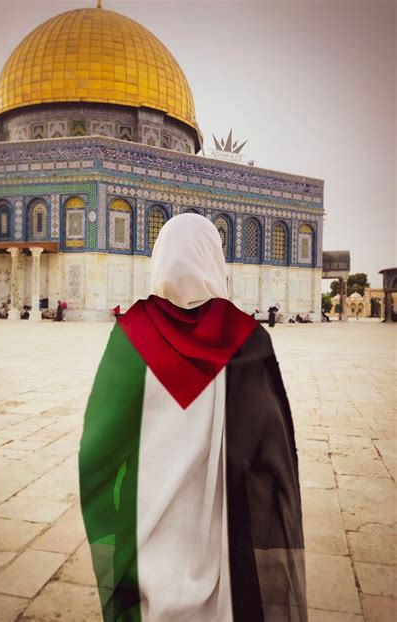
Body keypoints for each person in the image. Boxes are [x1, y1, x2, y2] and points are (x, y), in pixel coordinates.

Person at [79, 214, 307, 622]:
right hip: (223, 551)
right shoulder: (247, 340)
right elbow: (273, 455)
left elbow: (96, 452)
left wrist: (113, 515)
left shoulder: (131, 334)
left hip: (145, 536)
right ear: (213, 260)